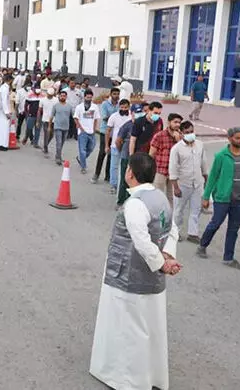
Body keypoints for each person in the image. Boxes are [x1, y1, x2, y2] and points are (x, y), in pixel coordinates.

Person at [89, 153, 180, 390]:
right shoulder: (159, 198)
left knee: (128, 327)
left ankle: (126, 379)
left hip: (127, 275)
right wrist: (167, 256)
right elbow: (173, 229)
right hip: (152, 275)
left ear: (130, 173)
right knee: (149, 326)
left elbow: (141, 240)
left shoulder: (135, 204)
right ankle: (151, 376)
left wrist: (162, 262)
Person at [197, 127, 240, 271]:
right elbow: (213, 178)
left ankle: (228, 258)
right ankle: (202, 245)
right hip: (222, 198)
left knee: (233, 230)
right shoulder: (221, 156)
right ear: (230, 139)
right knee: (215, 223)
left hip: (239, 200)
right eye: (238, 138)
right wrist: (206, 197)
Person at [169, 121, 207, 243]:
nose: (190, 134)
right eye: (187, 132)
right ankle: (175, 233)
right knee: (179, 210)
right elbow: (173, 168)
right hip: (182, 183)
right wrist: (175, 187)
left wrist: (206, 178)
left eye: (191, 131)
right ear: (181, 133)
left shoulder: (200, 145)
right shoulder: (176, 149)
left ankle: (193, 233)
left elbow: (203, 163)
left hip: (197, 183)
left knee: (196, 209)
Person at [149, 113, 184, 204]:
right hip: (160, 170)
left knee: (172, 198)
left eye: (179, 123)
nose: (177, 125)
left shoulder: (182, 137)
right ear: (169, 122)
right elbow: (151, 154)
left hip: (174, 172)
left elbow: (184, 154)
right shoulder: (159, 136)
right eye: (175, 122)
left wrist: (178, 141)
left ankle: (170, 217)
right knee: (157, 196)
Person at [116, 103, 147, 206]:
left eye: (140, 112)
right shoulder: (127, 125)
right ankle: (121, 201)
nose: (139, 114)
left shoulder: (143, 125)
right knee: (125, 179)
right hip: (126, 156)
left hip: (139, 157)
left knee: (136, 180)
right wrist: (122, 151)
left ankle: (132, 201)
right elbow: (118, 141)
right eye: (136, 112)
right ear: (131, 113)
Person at [92, 88, 120, 184]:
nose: (116, 96)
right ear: (111, 94)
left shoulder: (120, 104)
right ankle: (96, 174)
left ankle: (108, 176)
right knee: (102, 153)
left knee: (111, 154)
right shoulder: (105, 104)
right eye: (114, 94)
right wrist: (115, 118)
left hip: (115, 133)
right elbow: (104, 118)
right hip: (105, 132)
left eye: (117, 94)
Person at [105, 99, 132, 194]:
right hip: (115, 145)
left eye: (126, 107)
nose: (124, 109)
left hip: (127, 146)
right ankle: (114, 185)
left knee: (125, 167)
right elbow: (108, 131)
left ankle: (123, 185)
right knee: (114, 166)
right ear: (119, 107)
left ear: (129, 107)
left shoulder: (131, 117)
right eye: (122, 107)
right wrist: (106, 145)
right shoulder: (114, 116)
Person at [74, 89, 101, 174]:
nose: (89, 99)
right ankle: (83, 167)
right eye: (87, 97)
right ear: (84, 97)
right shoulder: (79, 107)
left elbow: (96, 119)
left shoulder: (95, 107)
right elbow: (76, 118)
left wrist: (94, 129)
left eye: (90, 97)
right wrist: (80, 128)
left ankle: (81, 158)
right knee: (82, 150)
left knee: (91, 148)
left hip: (91, 132)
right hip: (82, 132)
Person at [50, 90, 72, 166]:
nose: (62, 97)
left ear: (66, 97)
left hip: (66, 128)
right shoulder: (56, 106)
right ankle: (58, 158)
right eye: (61, 96)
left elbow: (73, 116)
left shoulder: (69, 106)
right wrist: (50, 127)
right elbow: (51, 116)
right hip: (57, 127)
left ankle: (58, 155)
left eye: (64, 96)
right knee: (58, 143)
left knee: (62, 143)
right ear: (59, 96)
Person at [0, 75, 12, 150]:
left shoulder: (3, 87)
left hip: (0, 111)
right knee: (4, 129)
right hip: (2, 112)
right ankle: (3, 145)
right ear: (10, 80)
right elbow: (4, 101)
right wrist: (7, 112)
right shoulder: (5, 88)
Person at [39, 88, 57, 158]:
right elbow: (39, 110)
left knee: (51, 135)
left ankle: (45, 145)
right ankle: (45, 148)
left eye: (51, 95)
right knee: (46, 133)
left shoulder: (56, 100)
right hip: (45, 119)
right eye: (49, 95)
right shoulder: (42, 100)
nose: (50, 96)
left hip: (53, 120)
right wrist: (38, 120)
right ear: (47, 94)